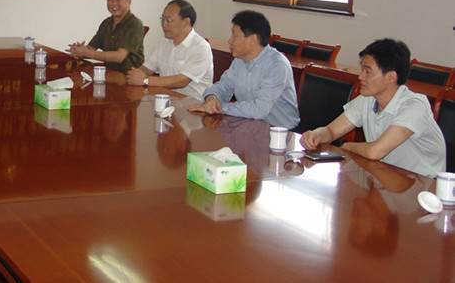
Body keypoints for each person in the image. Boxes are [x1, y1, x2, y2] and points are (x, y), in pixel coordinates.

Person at [301, 38, 446, 178]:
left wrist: (348, 146)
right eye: (362, 70)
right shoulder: (367, 99)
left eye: (368, 72)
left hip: (423, 185)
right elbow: (331, 131)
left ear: (391, 77)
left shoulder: (414, 107)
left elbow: (375, 152)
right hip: (385, 176)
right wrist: (316, 135)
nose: (361, 77)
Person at [187, 10, 299, 129]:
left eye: (235, 36)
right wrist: (211, 99)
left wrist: (219, 107)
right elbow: (223, 87)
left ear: (252, 40)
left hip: (280, 132)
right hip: (249, 125)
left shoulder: (277, 65)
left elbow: (259, 110)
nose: (230, 41)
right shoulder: (240, 60)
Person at [126, 0, 212, 100]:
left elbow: (182, 81)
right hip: (166, 100)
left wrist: (145, 80)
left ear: (186, 22)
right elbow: (147, 69)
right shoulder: (164, 43)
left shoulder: (200, 47)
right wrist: (135, 74)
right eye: (162, 19)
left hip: (193, 104)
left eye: (168, 20)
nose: (163, 24)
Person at [67, 0, 144, 73]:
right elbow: (91, 48)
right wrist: (78, 51)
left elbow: (120, 57)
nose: (114, 3)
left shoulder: (135, 24)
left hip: (130, 76)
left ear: (129, 2)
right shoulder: (106, 23)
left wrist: (88, 53)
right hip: (109, 73)